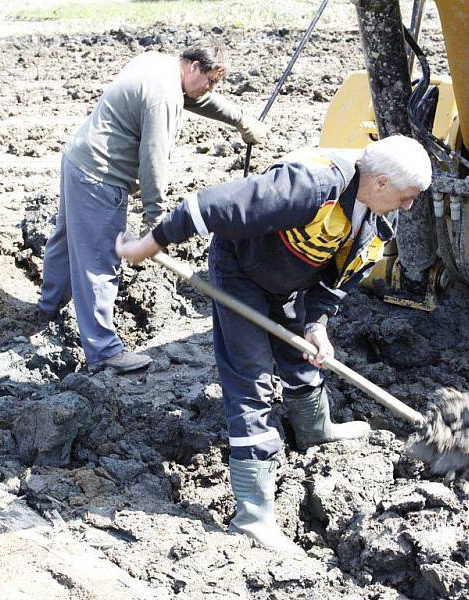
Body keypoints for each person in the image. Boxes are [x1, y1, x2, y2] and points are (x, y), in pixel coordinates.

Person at [116, 135, 432, 553]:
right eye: (407, 197)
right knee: (252, 381)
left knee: (302, 357)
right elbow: (208, 206)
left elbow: (336, 283)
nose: (409, 207)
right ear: (381, 182)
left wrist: (316, 325)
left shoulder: (373, 221)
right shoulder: (310, 186)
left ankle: (315, 430)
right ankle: (253, 515)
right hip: (241, 274)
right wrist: (145, 246)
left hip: (288, 283)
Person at [37, 41, 268, 373]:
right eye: (211, 81)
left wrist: (242, 120)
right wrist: (156, 221)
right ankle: (103, 351)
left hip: (79, 158)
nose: (210, 89)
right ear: (193, 67)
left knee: (66, 239)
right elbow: (154, 160)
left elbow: (198, 99)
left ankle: (48, 305)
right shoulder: (165, 97)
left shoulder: (157, 63)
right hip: (102, 176)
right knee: (101, 260)